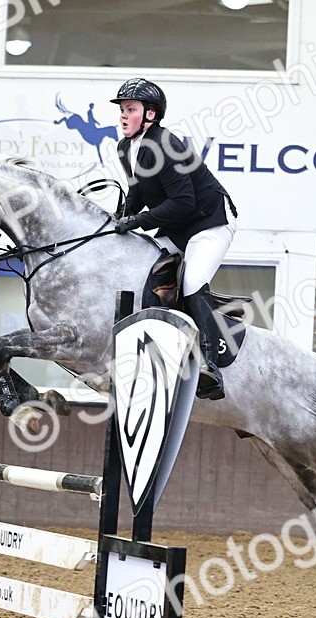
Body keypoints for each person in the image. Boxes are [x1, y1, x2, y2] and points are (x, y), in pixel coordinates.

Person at [110, 78, 238, 401]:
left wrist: (137, 221)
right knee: (148, 276)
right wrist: (121, 217)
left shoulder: (166, 145)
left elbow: (184, 201)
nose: (123, 115)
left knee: (192, 281)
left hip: (210, 221)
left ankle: (210, 366)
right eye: (122, 109)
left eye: (131, 109)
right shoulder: (126, 148)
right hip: (179, 227)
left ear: (150, 114)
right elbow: (139, 191)